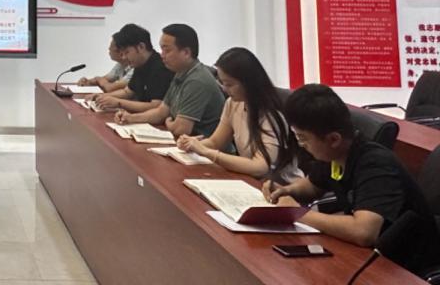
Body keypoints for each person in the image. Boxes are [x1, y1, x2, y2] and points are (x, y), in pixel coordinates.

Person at [263, 84, 440, 276]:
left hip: (406, 267)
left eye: (303, 138)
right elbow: (312, 186)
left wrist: (298, 213)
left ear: (334, 139)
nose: (301, 145)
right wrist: (287, 190)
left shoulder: (375, 164)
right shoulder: (334, 153)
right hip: (371, 256)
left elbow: (364, 232)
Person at [177, 47, 301, 181]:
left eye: (229, 84)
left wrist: (206, 152)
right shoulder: (233, 103)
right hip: (248, 178)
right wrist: (192, 144)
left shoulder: (270, 115)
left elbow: (259, 167)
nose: (225, 89)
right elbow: (215, 141)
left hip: (280, 185)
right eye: (222, 83)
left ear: (248, 83)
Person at [114, 23, 224, 138]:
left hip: (203, 146)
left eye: (167, 50)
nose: (162, 55)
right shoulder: (181, 73)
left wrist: (168, 122)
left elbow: (180, 129)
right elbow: (161, 112)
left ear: (186, 52)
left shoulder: (197, 80)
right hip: (185, 143)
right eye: (162, 50)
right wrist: (130, 118)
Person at [90, 24, 173, 114]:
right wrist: (102, 96)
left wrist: (118, 103)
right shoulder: (139, 64)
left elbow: (156, 106)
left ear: (141, 47)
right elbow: (127, 92)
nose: (124, 57)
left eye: (127, 52)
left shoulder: (160, 68)